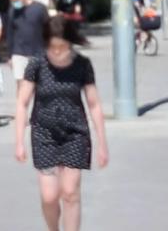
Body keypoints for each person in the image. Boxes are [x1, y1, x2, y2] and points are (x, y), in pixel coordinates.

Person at [14, 16, 109, 231]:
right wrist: (19, 141)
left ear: (70, 42)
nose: (57, 52)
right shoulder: (37, 64)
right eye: (52, 47)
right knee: (49, 196)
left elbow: (94, 104)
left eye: (62, 46)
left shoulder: (82, 65)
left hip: (75, 134)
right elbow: (22, 102)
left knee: (70, 192)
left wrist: (102, 143)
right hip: (44, 134)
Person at [8, 0, 50, 92]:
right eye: (12, 1)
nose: (15, 3)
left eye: (16, 0)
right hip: (19, 52)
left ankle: (37, 107)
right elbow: (10, 33)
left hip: (37, 52)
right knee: (21, 85)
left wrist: (49, 49)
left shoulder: (40, 8)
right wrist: (9, 56)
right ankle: (22, 107)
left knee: (38, 85)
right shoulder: (12, 11)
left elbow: (48, 29)